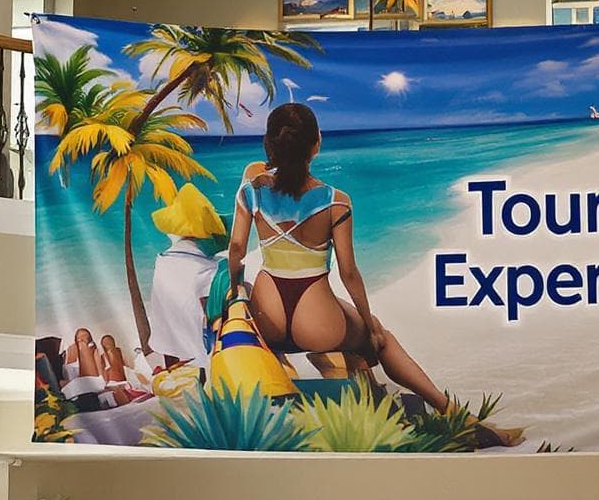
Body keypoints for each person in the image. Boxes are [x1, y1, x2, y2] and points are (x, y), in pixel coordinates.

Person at [230, 103, 505, 438]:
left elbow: (236, 251)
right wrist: (369, 323)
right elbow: (349, 273)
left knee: (337, 330)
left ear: (270, 144)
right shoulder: (336, 202)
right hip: (316, 320)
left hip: (268, 313)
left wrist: (235, 292)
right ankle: (453, 413)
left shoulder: (250, 192)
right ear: (316, 144)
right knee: (381, 337)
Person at [144, 181, 224, 367]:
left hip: (168, 349)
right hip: (201, 355)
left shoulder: (162, 261)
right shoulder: (206, 269)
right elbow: (211, 313)